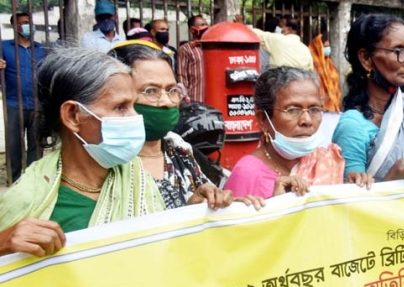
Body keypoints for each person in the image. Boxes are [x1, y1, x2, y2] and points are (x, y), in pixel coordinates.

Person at [0, 47, 165, 257]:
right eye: (121, 107)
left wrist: (196, 210)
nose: (135, 117)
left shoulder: (136, 179)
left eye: (133, 106)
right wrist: (3, 245)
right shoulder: (28, 201)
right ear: (73, 116)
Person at [110, 42, 248, 210]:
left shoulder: (179, 149)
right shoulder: (108, 160)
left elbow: (203, 206)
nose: (167, 102)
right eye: (151, 91)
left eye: (171, 90)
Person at [333, 14, 404, 185]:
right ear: (366, 58)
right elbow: (354, 204)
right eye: (398, 51)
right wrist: (399, 170)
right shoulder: (352, 126)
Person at [225, 66, 347, 199]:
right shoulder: (248, 174)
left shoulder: (325, 162)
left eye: (314, 109)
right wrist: (276, 203)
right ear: (263, 119)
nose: (306, 120)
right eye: (292, 110)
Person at [1, 12, 46, 183]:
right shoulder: (4, 47)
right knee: (14, 145)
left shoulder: (41, 49)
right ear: (15, 27)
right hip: (13, 103)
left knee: (36, 144)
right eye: (24, 23)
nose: (29, 26)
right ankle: (14, 179)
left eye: (29, 22)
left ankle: (32, 180)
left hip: (37, 104)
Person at [176, 14, 208, 103]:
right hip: (195, 100)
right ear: (192, 29)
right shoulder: (185, 49)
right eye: (202, 25)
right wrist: (185, 98)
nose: (206, 27)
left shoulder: (211, 48)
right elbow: (181, 76)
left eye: (206, 24)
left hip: (212, 100)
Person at [308, 32, 341, 112]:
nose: (328, 49)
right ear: (318, 47)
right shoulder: (312, 63)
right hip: (318, 106)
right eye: (325, 46)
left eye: (328, 46)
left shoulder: (329, 63)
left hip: (332, 106)